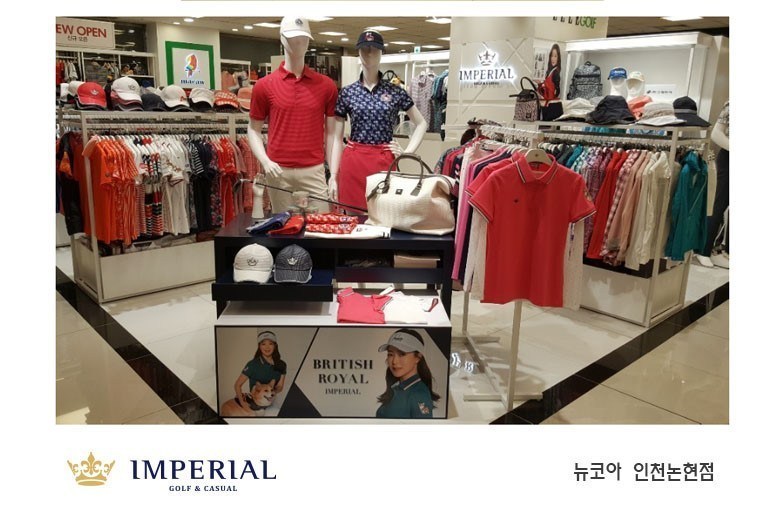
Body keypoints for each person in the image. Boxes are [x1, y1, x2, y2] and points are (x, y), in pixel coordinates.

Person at [329, 29, 428, 213]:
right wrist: (333, 176)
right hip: (353, 161)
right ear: (358, 52)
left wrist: (407, 152)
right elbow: (336, 138)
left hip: (384, 162)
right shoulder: (347, 93)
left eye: (374, 49)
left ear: (382, 52)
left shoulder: (396, 91)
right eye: (364, 48)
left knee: (385, 215)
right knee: (353, 218)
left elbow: (421, 123)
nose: (369, 53)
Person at [248, 16, 338, 214]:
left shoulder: (326, 86)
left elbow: (332, 134)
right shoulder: (264, 85)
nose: (299, 43)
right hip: (278, 171)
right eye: (292, 38)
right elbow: (253, 130)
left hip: (314, 170)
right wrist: (265, 161)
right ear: (282, 39)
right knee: (283, 226)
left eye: (304, 38)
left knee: (320, 226)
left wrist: (334, 174)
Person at [376, 329, 440, 419]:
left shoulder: (419, 395)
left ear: (418, 357)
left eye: (402, 354)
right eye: (390, 354)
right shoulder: (397, 388)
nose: (394, 361)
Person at [697, 100, 730, 268]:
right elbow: (716, 133)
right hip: (729, 156)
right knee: (718, 204)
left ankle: (725, 252)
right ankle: (702, 250)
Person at [231, 331, 287, 413]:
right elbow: (237, 385)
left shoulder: (282, 364)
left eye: (270, 343)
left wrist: (270, 392)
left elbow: (280, 386)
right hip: (254, 406)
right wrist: (243, 404)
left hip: (272, 403)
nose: (267, 347)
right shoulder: (252, 365)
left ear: (275, 345)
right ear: (259, 346)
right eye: (263, 344)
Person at [538, 44, 562, 120]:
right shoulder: (549, 72)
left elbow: (556, 92)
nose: (553, 59)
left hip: (550, 107)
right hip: (545, 105)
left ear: (558, 58)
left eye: (555, 56)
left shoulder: (555, 72)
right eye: (552, 56)